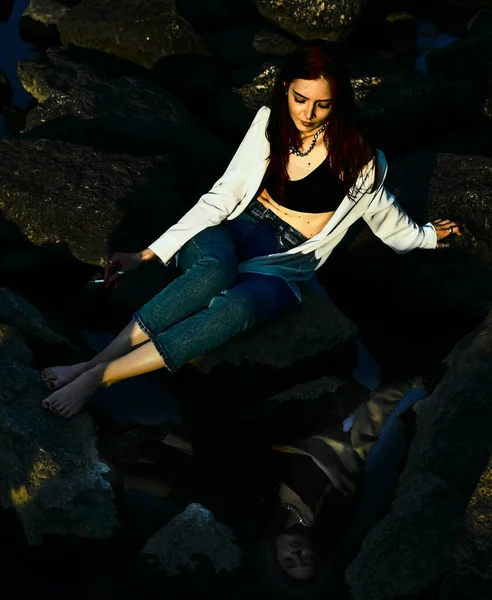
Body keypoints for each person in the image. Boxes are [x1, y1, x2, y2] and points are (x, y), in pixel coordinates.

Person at [40, 40, 460, 418]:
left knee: (237, 309)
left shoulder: (362, 161)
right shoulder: (267, 123)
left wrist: (428, 236)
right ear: (284, 89)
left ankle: (101, 376)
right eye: (300, 99)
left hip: (283, 263)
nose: (308, 114)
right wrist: (147, 254)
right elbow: (223, 195)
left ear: (340, 104)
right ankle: (93, 363)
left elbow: (391, 227)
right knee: (212, 273)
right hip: (231, 230)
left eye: (322, 105)